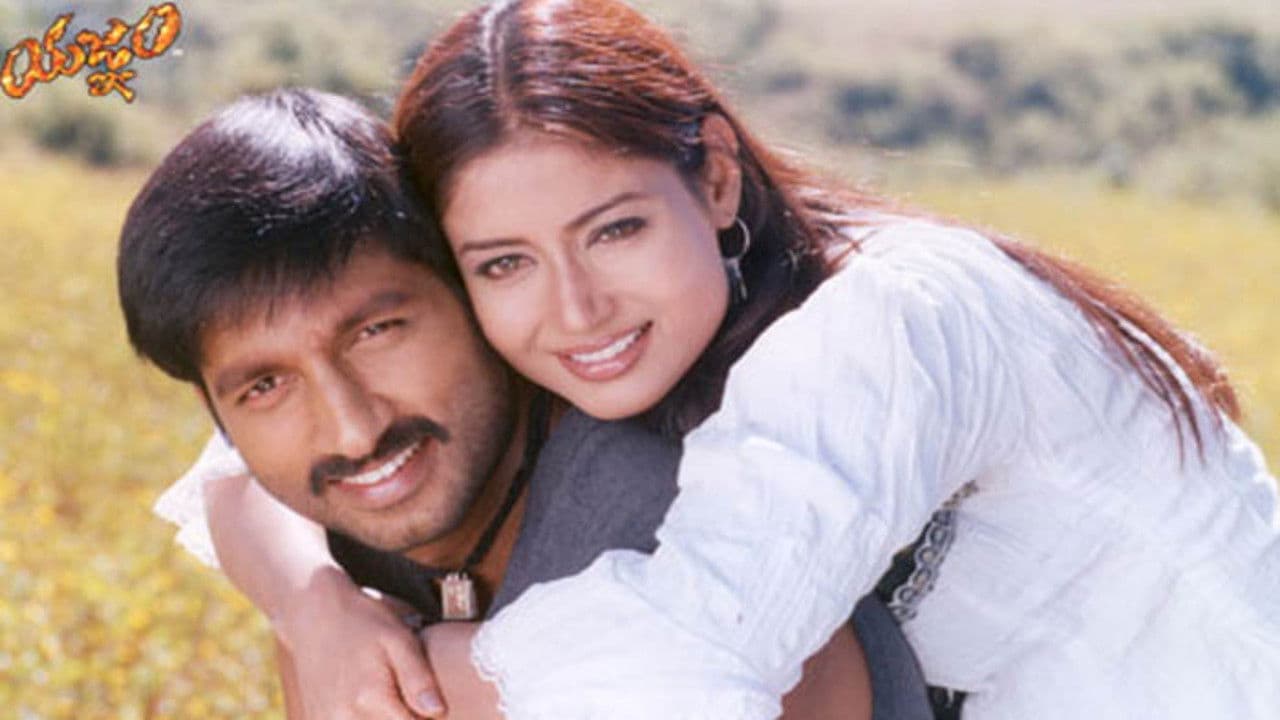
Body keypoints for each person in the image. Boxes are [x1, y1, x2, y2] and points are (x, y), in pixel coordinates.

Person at [164, 0, 1280, 717]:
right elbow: (261, 458)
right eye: (504, 263)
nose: (575, 309)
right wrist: (315, 604)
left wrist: (395, 672)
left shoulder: (893, 318)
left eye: (614, 230)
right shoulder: (671, 320)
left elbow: (689, 658)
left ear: (713, 178)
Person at [118, 87, 936, 720]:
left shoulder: (674, 521)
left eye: (377, 332)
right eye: (265, 385)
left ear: (471, 283)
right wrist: (312, 607)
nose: (354, 429)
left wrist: (378, 657)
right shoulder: (337, 511)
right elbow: (232, 482)